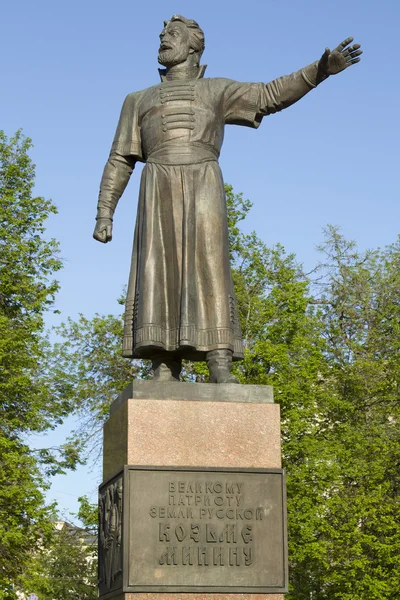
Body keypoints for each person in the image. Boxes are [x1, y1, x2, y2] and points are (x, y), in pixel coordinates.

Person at [93, 15, 362, 383]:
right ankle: (163, 363)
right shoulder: (137, 100)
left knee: (209, 265)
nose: (162, 37)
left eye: (172, 33)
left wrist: (319, 71)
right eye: (162, 33)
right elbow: (120, 159)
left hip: (203, 180)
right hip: (156, 186)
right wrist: (104, 212)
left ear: (193, 45)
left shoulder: (217, 90)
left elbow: (269, 95)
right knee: (157, 267)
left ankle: (219, 358)